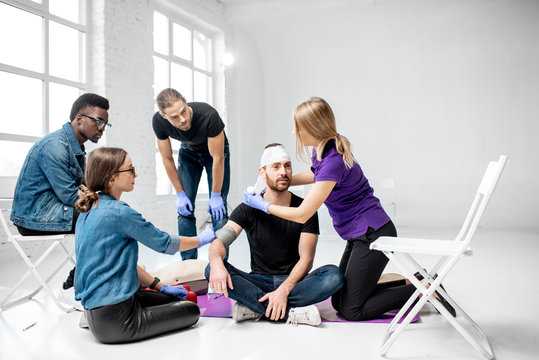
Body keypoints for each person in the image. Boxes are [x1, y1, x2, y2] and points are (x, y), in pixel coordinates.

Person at [242, 97, 418, 321]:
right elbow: (316, 174)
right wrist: (281, 180)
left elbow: (303, 213)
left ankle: (419, 292)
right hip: (359, 234)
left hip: (373, 234)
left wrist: (263, 206)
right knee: (338, 301)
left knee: (352, 310)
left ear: (313, 128)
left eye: (298, 128)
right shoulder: (323, 148)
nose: (295, 133)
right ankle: (411, 286)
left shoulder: (333, 160)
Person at [74, 147, 215, 344]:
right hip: (118, 321)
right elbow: (164, 243)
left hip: (100, 310)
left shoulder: (88, 210)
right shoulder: (119, 213)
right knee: (191, 309)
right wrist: (202, 239)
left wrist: (161, 287)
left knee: (176, 300)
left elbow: (123, 264)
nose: (136, 174)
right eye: (130, 170)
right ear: (111, 178)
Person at [206, 143, 343, 326]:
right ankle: (291, 312)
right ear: (262, 173)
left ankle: (255, 306)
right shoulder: (248, 208)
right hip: (258, 280)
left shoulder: (305, 207)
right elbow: (220, 241)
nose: (283, 172)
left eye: (287, 166)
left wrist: (284, 290)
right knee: (211, 268)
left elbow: (306, 260)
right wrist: (216, 263)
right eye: (276, 166)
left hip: (294, 281)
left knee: (334, 275)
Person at [10, 93, 110, 290]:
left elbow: (83, 188)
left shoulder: (75, 147)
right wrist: (104, 205)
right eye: (98, 122)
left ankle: (84, 273)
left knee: (108, 214)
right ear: (79, 119)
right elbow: (70, 195)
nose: (102, 129)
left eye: (105, 124)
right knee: (105, 219)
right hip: (35, 216)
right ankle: (86, 278)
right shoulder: (55, 146)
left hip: (55, 209)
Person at [153, 88, 230, 260]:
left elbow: (217, 158)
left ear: (186, 103)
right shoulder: (159, 122)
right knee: (185, 210)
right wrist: (180, 193)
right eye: (174, 117)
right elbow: (166, 159)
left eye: (183, 111)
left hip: (215, 155)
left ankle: (221, 264)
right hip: (188, 153)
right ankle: (189, 265)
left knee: (219, 211)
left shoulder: (208, 115)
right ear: (164, 116)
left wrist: (216, 195)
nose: (183, 119)